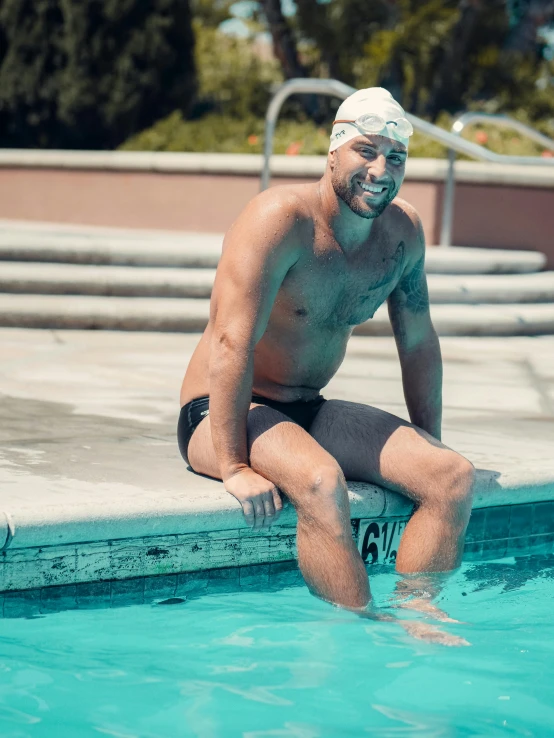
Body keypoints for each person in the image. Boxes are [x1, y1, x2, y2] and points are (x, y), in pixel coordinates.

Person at [178, 87, 475, 611]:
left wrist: (429, 440)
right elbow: (231, 340)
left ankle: (417, 615)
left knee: (451, 477)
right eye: (366, 150)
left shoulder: (402, 234)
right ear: (333, 151)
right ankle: (357, 628)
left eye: (396, 157)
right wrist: (233, 465)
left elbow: (418, 342)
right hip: (222, 410)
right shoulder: (279, 219)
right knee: (320, 483)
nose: (381, 169)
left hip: (307, 408)